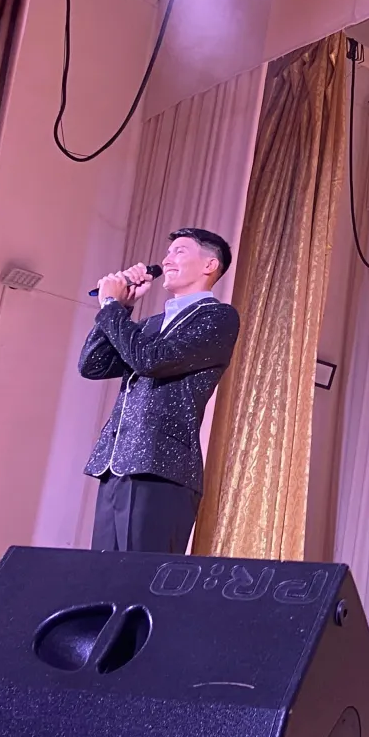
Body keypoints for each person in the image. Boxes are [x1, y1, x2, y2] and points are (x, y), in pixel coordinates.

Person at [79, 227, 240, 553]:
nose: (167, 260)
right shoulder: (151, 325)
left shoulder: (218, 317)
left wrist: (110, 304)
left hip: (161, 467)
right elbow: (93, 365)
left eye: (179, 251)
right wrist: (122, 307)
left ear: (210, 265)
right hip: (116, 464)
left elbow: (150, 360)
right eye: (168, 253)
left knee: (142, 576)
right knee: (103, 576)